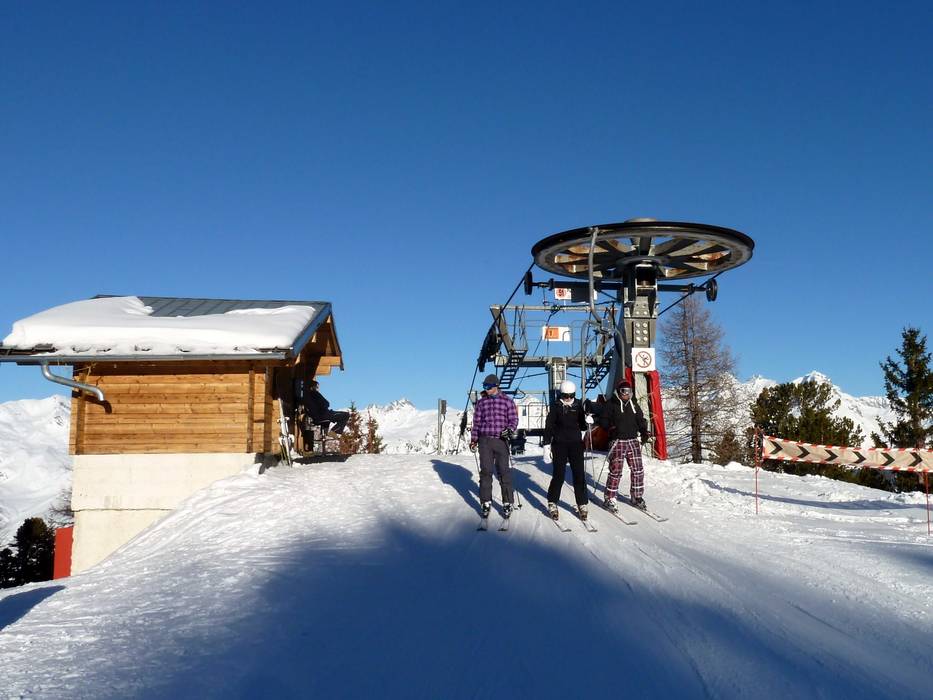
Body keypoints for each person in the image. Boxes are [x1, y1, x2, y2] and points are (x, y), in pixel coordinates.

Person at [469, 374, 519, 518]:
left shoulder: (507, 401)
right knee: (486, 471)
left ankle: (507, 502)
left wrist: (509, 430)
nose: (486, 389)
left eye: (488, 387)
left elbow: (514, 419)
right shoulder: (481, 403)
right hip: (485, 440)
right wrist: (474, 440)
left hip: (501, 440)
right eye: (484, 386)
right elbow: (476, 423)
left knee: (503, 471)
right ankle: (485, 502)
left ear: (496, 386)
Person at [600, 378, 651, 512]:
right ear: (618, 391)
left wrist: (644, 431)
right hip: (618, 441)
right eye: (623, 391)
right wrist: (610, 428)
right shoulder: (611, 404)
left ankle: (636, 496)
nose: (626, 393)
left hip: (632, 440)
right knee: (616, 470)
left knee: (638, 469)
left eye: (629, 391)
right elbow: (603, 420)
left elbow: (640, 419)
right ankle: (610, 498)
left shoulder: (633, 404)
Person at [543, 380, 589, 521]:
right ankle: (552, 501)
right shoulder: (556, 406)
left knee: (579, 474)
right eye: (565, 396)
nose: (568, 398)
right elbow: (549, 426)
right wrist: (546, 445)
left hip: (576, 444)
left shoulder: (578, 405)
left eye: (571, 395)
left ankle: (582, 503)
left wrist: (588, 420)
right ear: (561, 394)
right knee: (559, 475)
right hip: (560, 445)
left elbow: (582, 426)